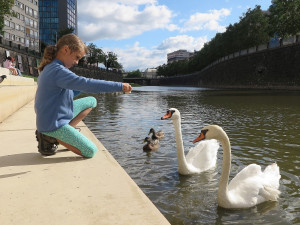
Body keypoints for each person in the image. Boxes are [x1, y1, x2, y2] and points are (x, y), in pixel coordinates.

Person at [34, 33, 132, 157]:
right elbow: (86, 83)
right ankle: (51, 137)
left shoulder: (52, 67)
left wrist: (81, 86)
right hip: (53, 124)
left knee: (91, 101)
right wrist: (120, 86)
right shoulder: (58, 71)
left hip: (52, 116)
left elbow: (67, 93)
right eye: (76, 57)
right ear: (65, 50)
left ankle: (65, 132)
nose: (77, 62)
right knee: (90, 151)